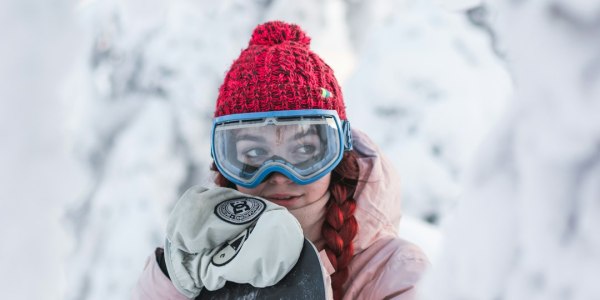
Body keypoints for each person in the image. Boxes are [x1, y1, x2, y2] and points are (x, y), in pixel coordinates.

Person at [133, 20, 429, 300]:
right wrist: (169, 284)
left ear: (338, 152)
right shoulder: (196, 270)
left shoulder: (399, 275)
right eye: (254, 153)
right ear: (225, 159)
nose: (279, 175)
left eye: (303, 151)